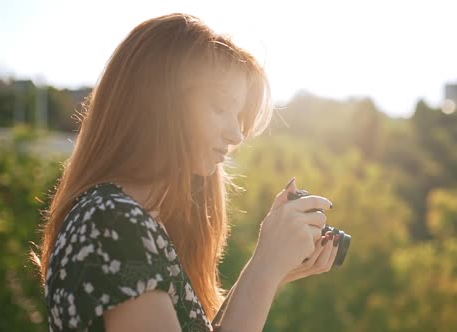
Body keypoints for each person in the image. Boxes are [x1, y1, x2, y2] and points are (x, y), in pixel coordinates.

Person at [31, 13, 341, 332]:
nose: (237, 135)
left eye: (240, 117)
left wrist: (271, 270)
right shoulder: (114, 224)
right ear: (158, 101)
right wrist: (263, 270)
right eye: (220, 107)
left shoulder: (125, 218)